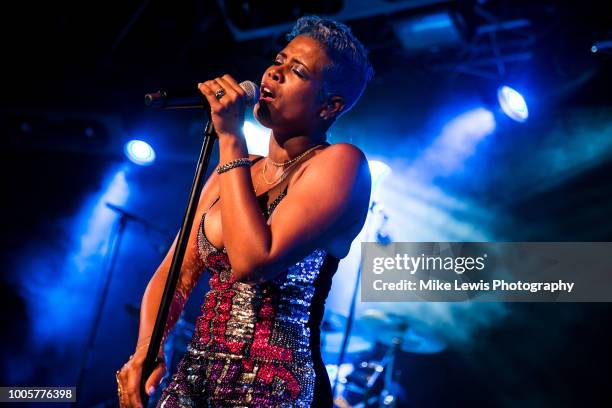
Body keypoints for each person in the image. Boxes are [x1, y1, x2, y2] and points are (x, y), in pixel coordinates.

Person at [115, 15, 374, 408]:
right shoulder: (233, 173)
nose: (275, 72)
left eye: (297, 71)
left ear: (329, 106)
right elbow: (175, 273)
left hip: (274, 386)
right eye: (280, 60)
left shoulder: (342, 164)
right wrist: (147, 352)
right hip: (194, 377)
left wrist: (230, 138)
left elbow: (253, 262)